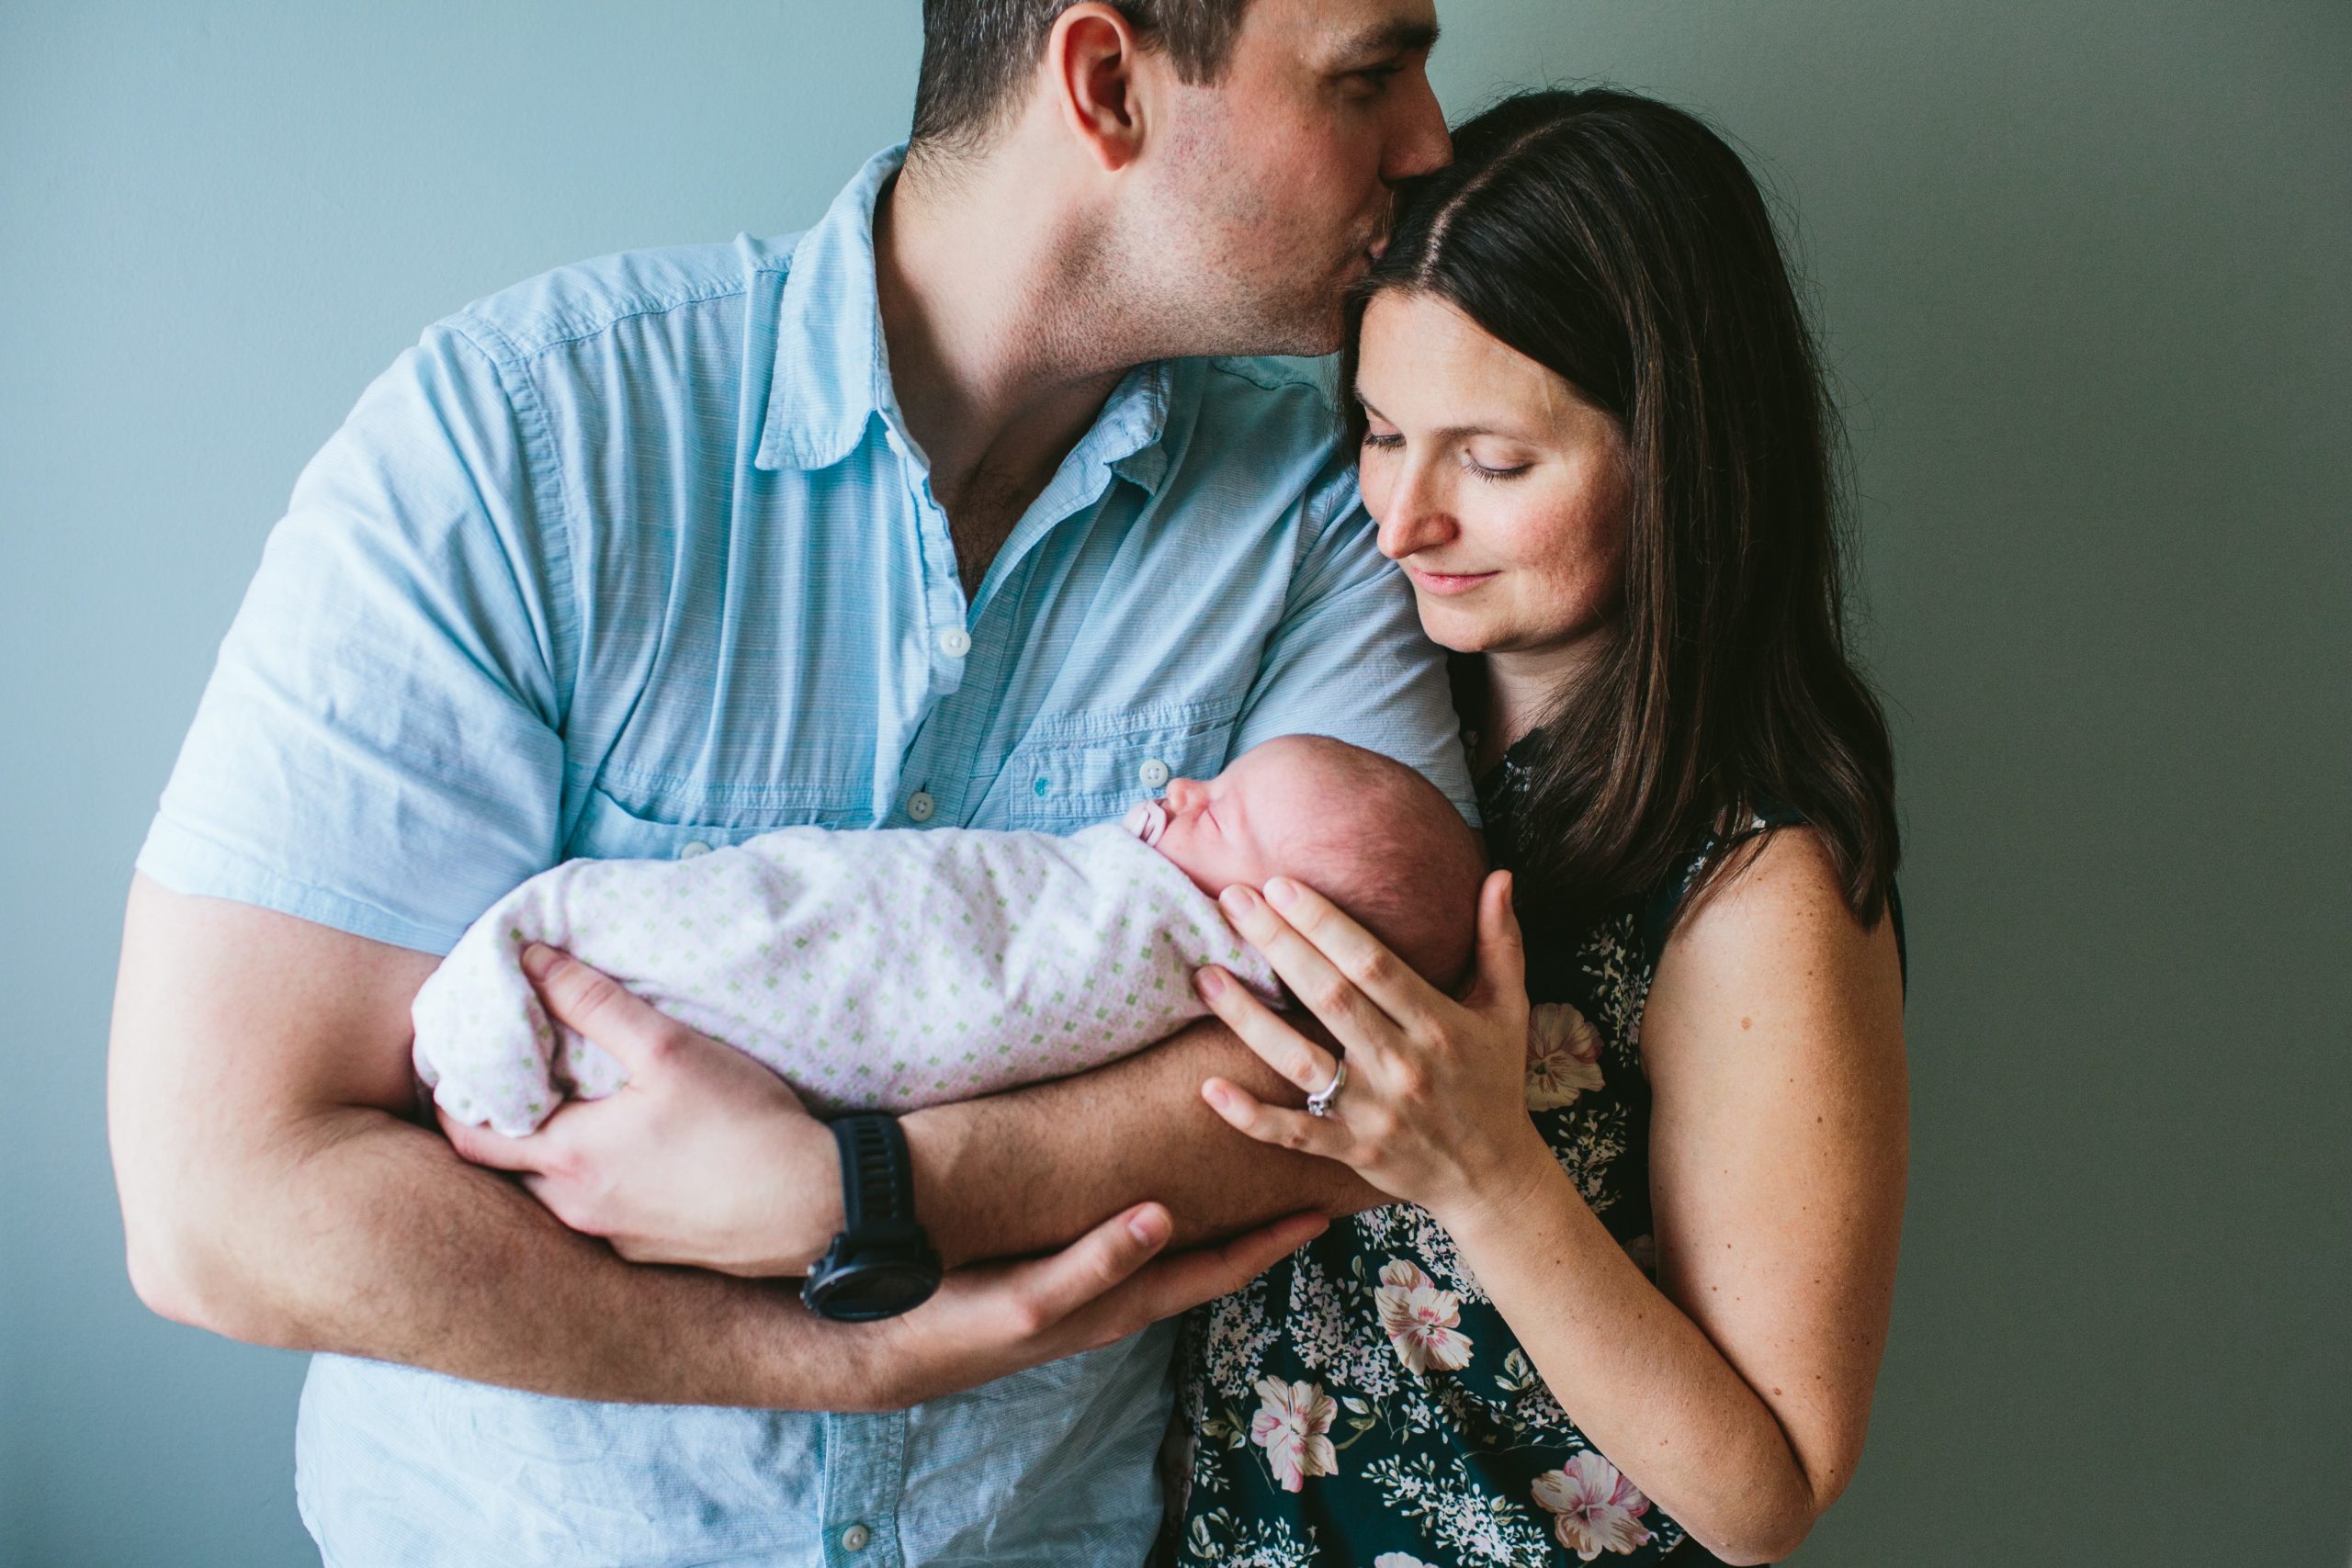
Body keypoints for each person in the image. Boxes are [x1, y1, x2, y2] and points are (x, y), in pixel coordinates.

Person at [107, 2, 1468, 1562]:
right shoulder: (522, 442)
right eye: (1370, 74)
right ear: (1106, 85)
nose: (1429, 143)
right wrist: (841, 1346)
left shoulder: (1334, 508)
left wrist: (871, 1190)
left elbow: (1386, 1065)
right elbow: (222, 1200)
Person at [1166, 89, 1909, 1564]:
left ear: (1677, 445)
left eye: (1493, 462)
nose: (1402, 518)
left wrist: (1488, 1170)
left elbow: (1768, 1491)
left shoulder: (1757, 878)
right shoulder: (1358, 697)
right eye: (1380, 433)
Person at [415, 735, 1485, 1134]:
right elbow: (926, 899)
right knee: (802, 904)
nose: (1189, 790)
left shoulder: (1178, 942)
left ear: (1301, 937)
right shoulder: (1111, 875)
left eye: (1228, 814)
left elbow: (996, 992)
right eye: (1222, 778)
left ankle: (525, 1033)